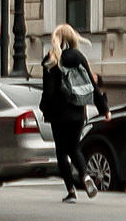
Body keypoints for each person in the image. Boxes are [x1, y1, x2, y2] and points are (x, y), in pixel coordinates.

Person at [41, 22, 99, 202]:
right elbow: (92, 85)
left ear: (55, 39)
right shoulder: (79, 58)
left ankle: (71, 191)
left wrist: (44, 106)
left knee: (61, 152)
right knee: (74, 148)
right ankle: (85, 176)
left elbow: (49, 91)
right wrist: (103, 107)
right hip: (77, 112)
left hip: (58, 114)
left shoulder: (51, 59)